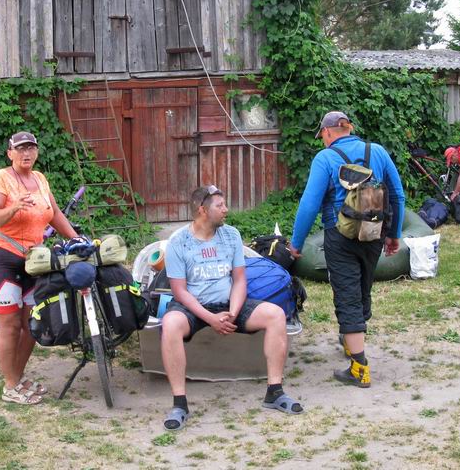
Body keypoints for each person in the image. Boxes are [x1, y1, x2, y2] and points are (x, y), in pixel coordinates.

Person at [160, 185, 303, 431]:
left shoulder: (231, 235)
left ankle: (275, 392)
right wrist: (210, 318)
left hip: (229, 304)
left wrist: (233, 314)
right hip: (194, 306)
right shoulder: (178, 242)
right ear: (203, 210)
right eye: (220, 205)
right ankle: (179, 403)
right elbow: (180, 291)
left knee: (275, 315)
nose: (226, 209)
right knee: (170, 323)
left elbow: (239, 280)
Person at [289, 111, 405, 388]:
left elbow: (309, 204)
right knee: (362, 287)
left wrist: (296, 242)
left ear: (328, 132)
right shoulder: (376, 151)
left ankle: (359, 369)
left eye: (322, 137)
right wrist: (394, 234)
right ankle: (351, 338)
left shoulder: (326, 158)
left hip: (339, 235)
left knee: (347, 296)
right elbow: (398, 194)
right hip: (373, 232)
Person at [0, 131, 78, 405]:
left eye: (31, 148)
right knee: (10, 324)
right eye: (21, 148)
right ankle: (10, 385)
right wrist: (13, 208)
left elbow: (55, 214)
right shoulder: (1, 178)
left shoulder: (40, 179)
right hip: (2, 256)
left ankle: (17, 377)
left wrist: (76, 238)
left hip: (33, 261)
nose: (27, 153)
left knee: (31, 324)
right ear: (10, 152)